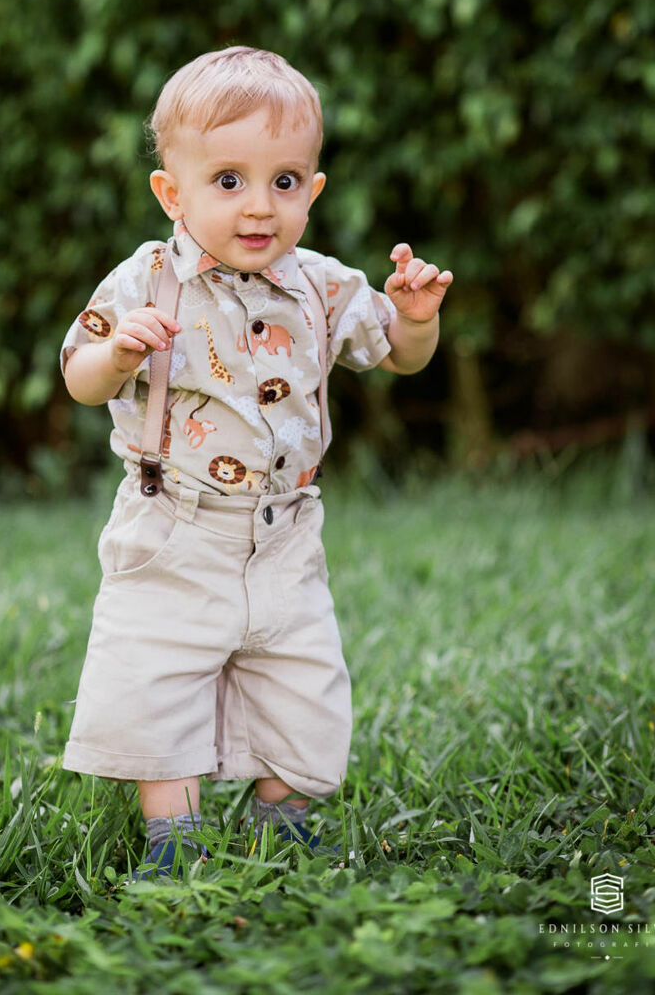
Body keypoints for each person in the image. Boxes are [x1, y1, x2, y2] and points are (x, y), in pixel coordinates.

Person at [59, 46, 453, 876]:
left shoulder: (322, 286)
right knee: (158, 676)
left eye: (284, 181)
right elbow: (78, 376)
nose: (258, 206)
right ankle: (176, 840)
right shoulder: (145, 280)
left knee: (302, 680)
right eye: (229, 180)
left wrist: (415, 320)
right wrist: (118, 354)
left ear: (312, 189)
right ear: (172, 192)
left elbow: (397, 356)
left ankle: (284, 819)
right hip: (174, 525)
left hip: (285, 531)